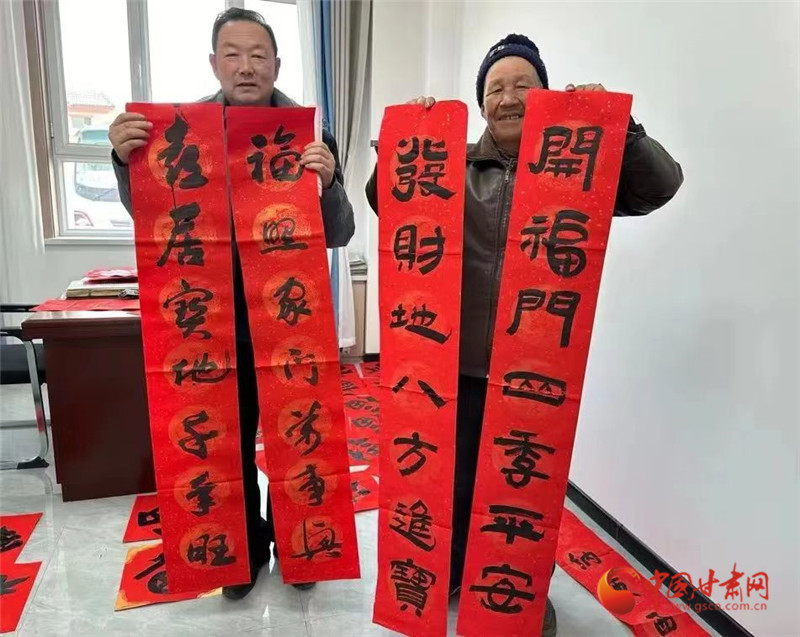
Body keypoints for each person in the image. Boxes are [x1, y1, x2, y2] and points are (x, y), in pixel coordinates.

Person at [365, 33, 684, 636]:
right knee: (454, 478)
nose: (509, 98)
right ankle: (451, 570)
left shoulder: (578, 169)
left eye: (523, 85)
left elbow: (659, 187)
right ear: (481, 103)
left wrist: (622, 129)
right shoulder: (454, 166)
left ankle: (516, 591)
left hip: (534, 368)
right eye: (496, 88)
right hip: (455, 360)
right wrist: (404, 149)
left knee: (522, 488)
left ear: (544, 95)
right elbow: (389, 204)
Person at [110, 8, 355, 600]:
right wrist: (123, 160)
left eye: (258, 55)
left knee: (300, 438)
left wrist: (328, 184)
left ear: (277, 64)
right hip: (215, 325)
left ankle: (300, 545)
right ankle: (244, 549)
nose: (247, 67)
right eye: (233, 54)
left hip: (291, 323)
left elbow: (341, 231)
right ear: (214, 63)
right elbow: (155, 216)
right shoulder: (183, 134)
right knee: (226, 443)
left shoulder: (309, 132)